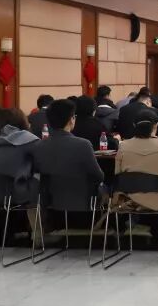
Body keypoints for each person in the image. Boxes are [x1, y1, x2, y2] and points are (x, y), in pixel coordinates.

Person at [31, 98, 105, 241]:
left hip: (52, 202)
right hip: (84, 201)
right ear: (71, 119)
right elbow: (99, 176)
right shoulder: (83, 144)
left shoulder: (39, 146)